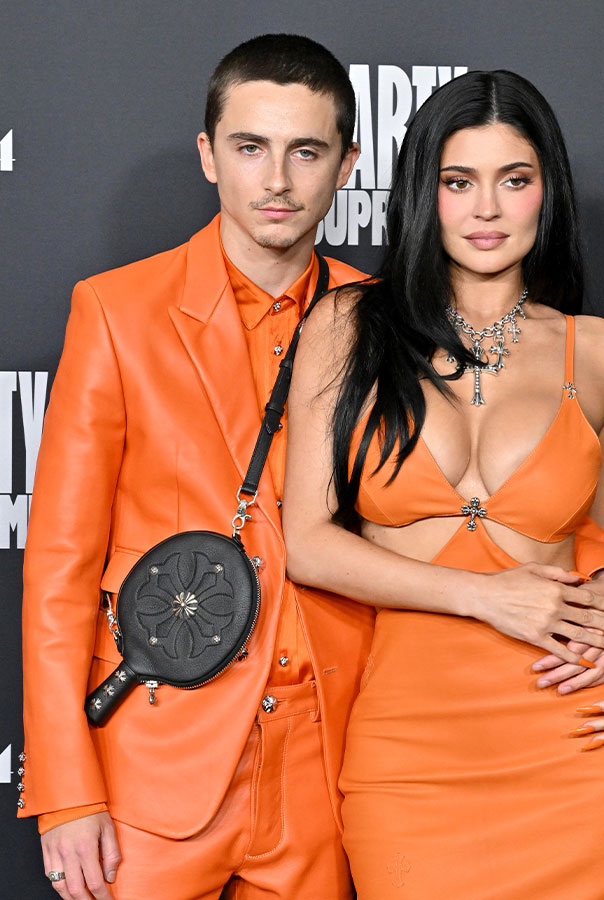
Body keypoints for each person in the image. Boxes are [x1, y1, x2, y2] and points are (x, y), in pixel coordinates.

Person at [283, 70, 604, 899]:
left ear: (548, 193)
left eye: (515, 181)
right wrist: (482, 597)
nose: (486, 210)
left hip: (585, 751)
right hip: (412, 758)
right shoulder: (345, 327)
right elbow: (307, 543)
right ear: (422, 193)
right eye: (458, 181)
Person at [19, 34, 376, 900]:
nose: (278, 180)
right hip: (156, 766)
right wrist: (68, 791)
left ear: (348, 164)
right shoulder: (116, 310)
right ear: (209, 156)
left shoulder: (384, 321)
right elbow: (60, 566)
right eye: (251, 148)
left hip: (326, 775)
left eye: (306, 151)